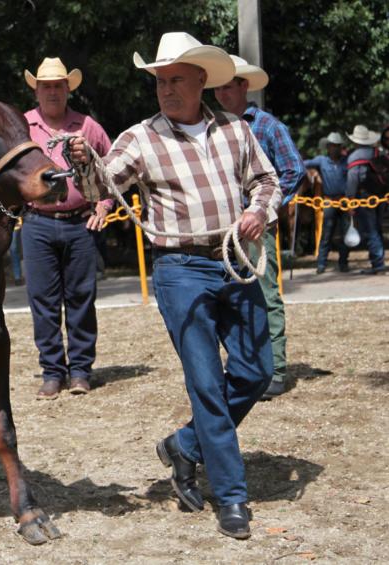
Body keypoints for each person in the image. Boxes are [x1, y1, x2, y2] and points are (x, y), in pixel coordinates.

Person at [71, 32, 281, 539]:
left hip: (233, 259)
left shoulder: (235, 129)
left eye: (176, 80)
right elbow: (100, 186)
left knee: (257, 370)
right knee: (206, 384)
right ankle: (231, 496)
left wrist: (258, 211)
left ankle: (185, 445)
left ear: (201, 81)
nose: (166, 89)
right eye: (160, 81)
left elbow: (267, 181)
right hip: (180, 269)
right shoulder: (140, 138)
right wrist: (83, 161)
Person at [213, 55, 306, 400]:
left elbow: (293, 170)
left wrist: (264, 209)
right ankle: (248, 367)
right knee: (230, 297)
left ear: (244, 87)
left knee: (265, 295)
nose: (222, 94)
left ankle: (275, 369)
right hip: (224, 227)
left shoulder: (267, 126)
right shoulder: (215, 127)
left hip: (255, 227)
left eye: (228, 87)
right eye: (218, 88)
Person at [21, 56, 113, 399]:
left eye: (58, 86)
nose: (52, 92)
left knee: (81, 299)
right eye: (46, 86)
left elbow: (114, 168)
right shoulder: (22, 126)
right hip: (37, 222)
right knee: (42, 301)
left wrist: (104, 205)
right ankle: (52, 372)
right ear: (36, 90)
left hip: (80, 222)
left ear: (67, 89)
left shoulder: (88, 126)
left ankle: (80, 372)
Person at [303, 132, 350, 274]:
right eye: (332, 146)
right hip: (329, 201)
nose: (335, 148)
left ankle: (343, 263)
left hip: (344, 201)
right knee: (326, 233)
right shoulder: (321, 160)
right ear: (328, 147)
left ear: (341, 147)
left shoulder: (347, 161)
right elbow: (302, 164)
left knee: (345, 233)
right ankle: (321, 264)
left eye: (337, 146)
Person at [346, 125, 385, 275]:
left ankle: (378, 264)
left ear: (355, 141)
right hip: (380, 196)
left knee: (371, 230)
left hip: (364, 198)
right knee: (378, 228)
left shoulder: (354, 157)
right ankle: (379, 260)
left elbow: (352, 181)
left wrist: (350, 200)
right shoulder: (377, 152)